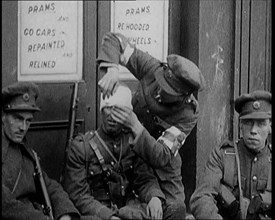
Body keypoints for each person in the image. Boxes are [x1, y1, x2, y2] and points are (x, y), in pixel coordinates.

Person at [96, 31, 205, 216]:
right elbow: (114, 39)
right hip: (129, 155)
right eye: (161, 84)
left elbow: (162, 155)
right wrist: (113, 68)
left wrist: (135, 125)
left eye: (168, 92)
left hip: (163, 169)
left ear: (184, 96)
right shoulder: (151, 67)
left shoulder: (188, 114)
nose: (159, 93)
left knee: (175, 210)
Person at [62, 84, 186, 220]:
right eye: (108, 108)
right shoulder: (81, 147)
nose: (112, 115)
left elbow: (144, 179)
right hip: (98, 214)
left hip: (128, 210)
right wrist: (109, 216)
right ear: (101, 111)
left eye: (119, 110)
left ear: (127, 115)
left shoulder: (132, 142)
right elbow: (79, 196)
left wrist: (154, 197)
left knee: (174, 209)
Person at [2, 82, 83, 220]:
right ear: (3, 116)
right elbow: (6, 205)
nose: (23, 127)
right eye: (18, 119)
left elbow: (50, 186)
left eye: (28, 121)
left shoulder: (26, 150)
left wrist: (65, 213)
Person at [189, 90, 272, 220]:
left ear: (270, 126)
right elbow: (201, 198)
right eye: (248, 122)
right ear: (240, 125)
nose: (253, 130)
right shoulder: (222, 154)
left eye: (261, 123)